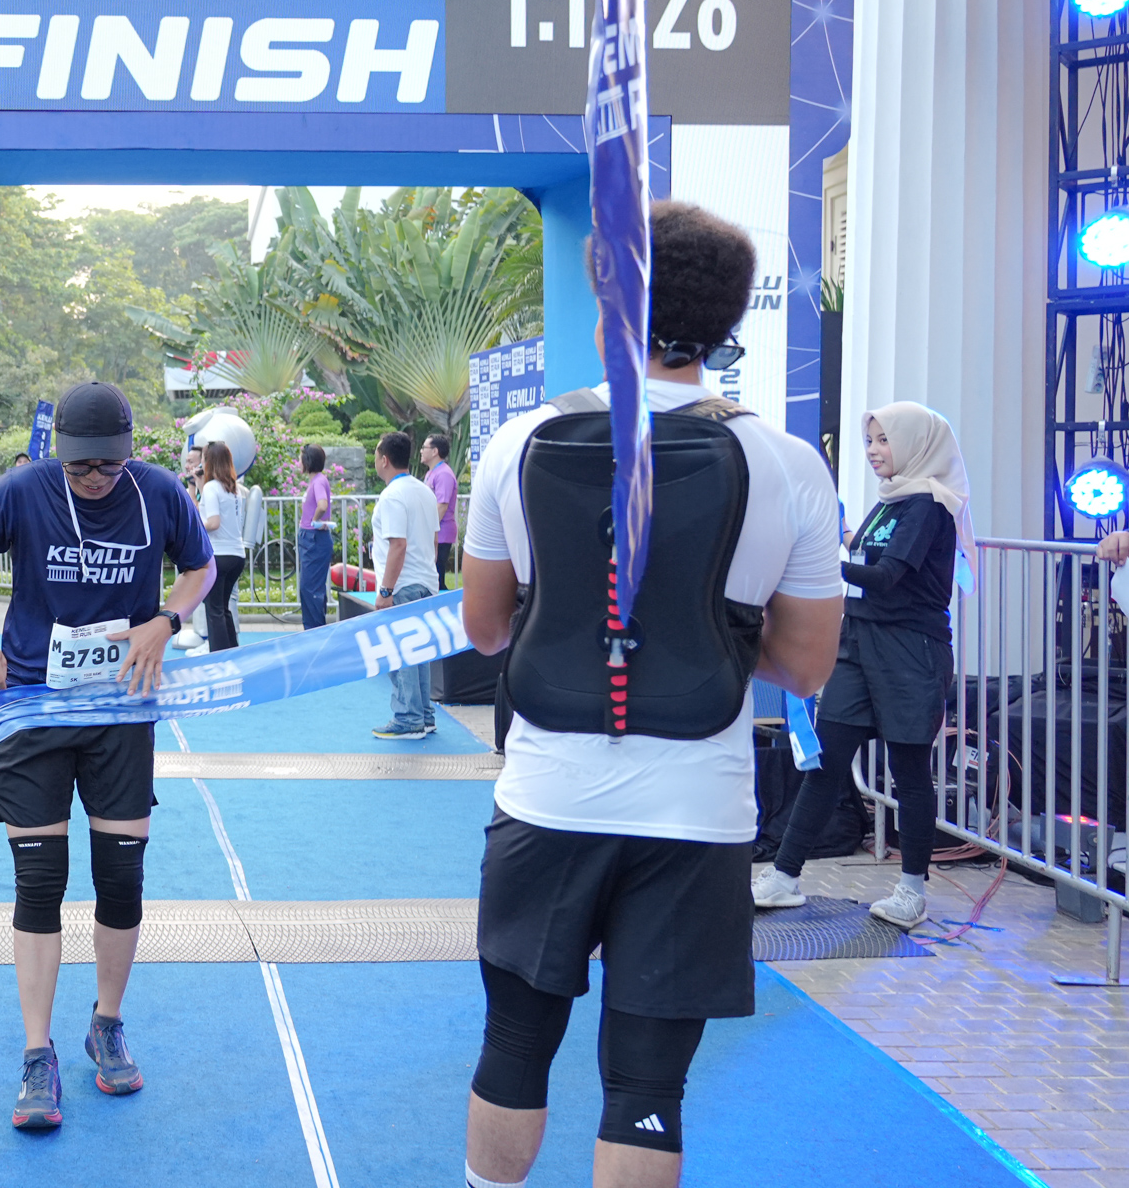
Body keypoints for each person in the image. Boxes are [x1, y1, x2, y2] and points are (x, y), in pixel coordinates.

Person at [457, 203, 842, 1188]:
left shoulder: (519, 442)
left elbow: (485, 629)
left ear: (607, 312)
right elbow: (805, 666)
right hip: (698, 811)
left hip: (547, 795)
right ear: (725, 324)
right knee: (646, 1087)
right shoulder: (787, 462)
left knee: (513, 1045)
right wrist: (705, 635)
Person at [0, 382, 213, 1132]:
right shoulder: (23, 490)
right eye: (80, 466)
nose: (93, 479)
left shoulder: (157, 493)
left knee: (120, 877)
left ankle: (106, 1024)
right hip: (34, 705)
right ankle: (36, 1053)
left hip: (121, 709)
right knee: (40, 882)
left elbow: (201, 567)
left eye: (107, 466)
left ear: (128, 454)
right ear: (61, 455)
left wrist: (166, 620)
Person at [753, 403, 971, 929]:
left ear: (915, 443)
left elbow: (887, 575)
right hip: (860, 643)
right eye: (870, 440)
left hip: (910, 651)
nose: (873, 451)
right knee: (826, 763)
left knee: (909, 772)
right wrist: (835, 533)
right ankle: (784, 876)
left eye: (884, 440)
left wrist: (815, 561)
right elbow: (864, 556)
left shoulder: (929, 504)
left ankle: (912, 891)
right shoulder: (890, 499)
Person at [370, 432, 442, 740]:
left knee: (401, 652)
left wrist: (386, 590)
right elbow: (434, 540)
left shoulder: (392, 496)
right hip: (425, 581)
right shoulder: (424, 491)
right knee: (419, 651)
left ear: (384, 459)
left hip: (403, 585)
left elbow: (398, 544)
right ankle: (423, 715)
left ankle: (409, 717)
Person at [197, 441, 246, 652]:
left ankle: (217, 656)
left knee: (214, 609)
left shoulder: (212, 488)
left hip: (218, 554)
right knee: (223, 608)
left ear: (209, 461)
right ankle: (231, 651)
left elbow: (213, 522)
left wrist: (196, 528)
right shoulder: (234, 489)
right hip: (236, 554)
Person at [297, 445, 334, 628]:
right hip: (311, 538)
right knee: (310, 588)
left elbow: (322, 504)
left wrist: (314, 520)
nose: (298, 462)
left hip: (313, 539)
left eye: (300, 458)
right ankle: (313, 628)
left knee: (310, 589)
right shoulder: (317, 481)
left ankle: (314, 630)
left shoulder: (318, 481)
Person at [422, 434, 459, 584]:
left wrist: (428, 529)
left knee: (437, 577)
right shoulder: (431, 473)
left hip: (441, 533)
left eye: (424, 447)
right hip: (434, 531)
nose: (421, 451)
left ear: (434, 451)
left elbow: (442, 506)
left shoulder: (443, 474)